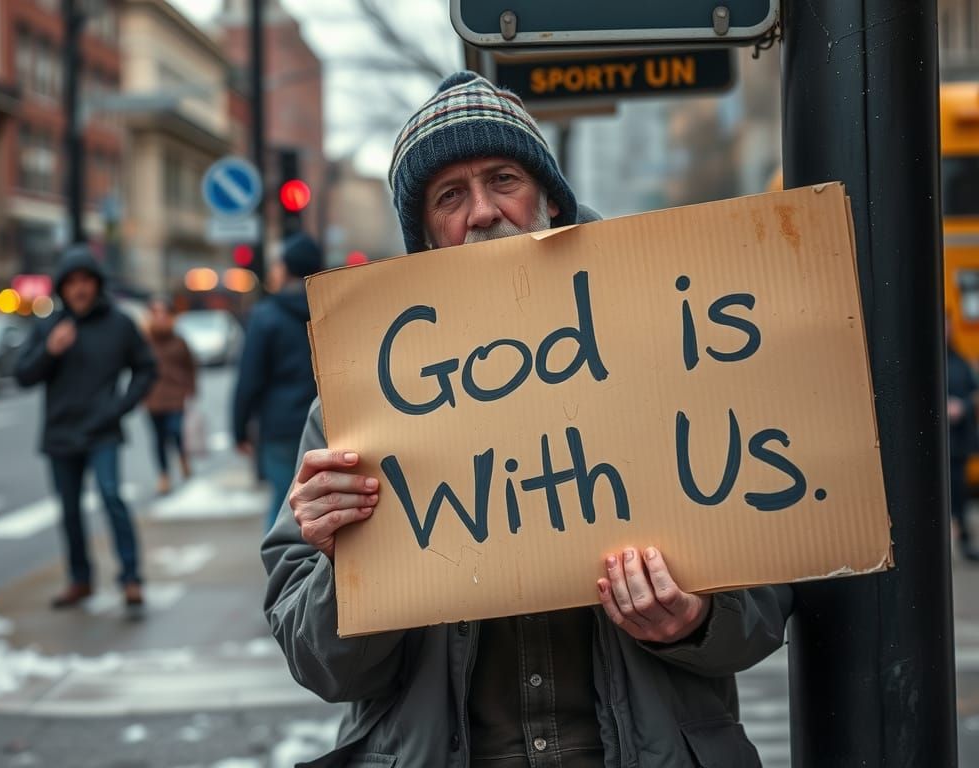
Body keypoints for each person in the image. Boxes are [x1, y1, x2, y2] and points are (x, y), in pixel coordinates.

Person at [262, 72, 793, 767]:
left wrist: (692, 621)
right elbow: (324, 668)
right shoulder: (356, 407)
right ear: (425, 236)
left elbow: (768, 600)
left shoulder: (666, 349)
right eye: (450, 196)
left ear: (549, 199)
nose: (482, 212)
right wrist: (347, 570)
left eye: (503, 178)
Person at [15, 244, 156, 613]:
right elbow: (22, 376)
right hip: (60, 433)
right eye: (71, 282)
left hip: (102, 430)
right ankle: (80, 579)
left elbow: (146, 368)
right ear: (61, 287)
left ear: (96, 283)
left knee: (112, 497)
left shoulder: (119, 323)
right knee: (69, 509)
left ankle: (130, 578)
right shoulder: (49, 325)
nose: (79, 289)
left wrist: (119, 407)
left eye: (86, 281)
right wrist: (50, 350)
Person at [233, 233, 320, 532]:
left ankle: (282, 574)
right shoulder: (330, 308)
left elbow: (250, 377)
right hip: (327, 421)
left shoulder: (266, 315)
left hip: (280, 424)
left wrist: (239, 427)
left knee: (285, 507)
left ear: (286, 268)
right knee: (321, 505)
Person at [144, 298, 197, 495]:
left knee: (175, 431)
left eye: (163, 313)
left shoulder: (178, 340)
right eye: (155, 313)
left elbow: (190, 366)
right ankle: (164, 474)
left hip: (176, 395)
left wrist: (191, 388)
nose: (159, 317)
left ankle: (182, 456)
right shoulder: (145, 341)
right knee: (158, 439)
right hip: (153, 397)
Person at [947, 315, 979, 561]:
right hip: (935, 446)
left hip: (957, 443)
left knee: (959, 495)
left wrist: (963, 407)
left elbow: (974, 394)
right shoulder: (925, 360)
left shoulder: (960, 362)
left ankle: (965, 543)